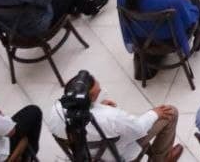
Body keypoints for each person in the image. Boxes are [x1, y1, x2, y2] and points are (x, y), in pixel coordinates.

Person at [46, 69, 182, 162]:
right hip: (119, 155)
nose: (101, 92)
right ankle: (161, 159)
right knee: (170, 112)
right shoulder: (110, 116)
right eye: (98, 93)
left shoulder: (54, 112)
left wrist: (97, 106)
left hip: (88, 156)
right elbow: (139, 129)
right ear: (89, 98)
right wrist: (155, 113)